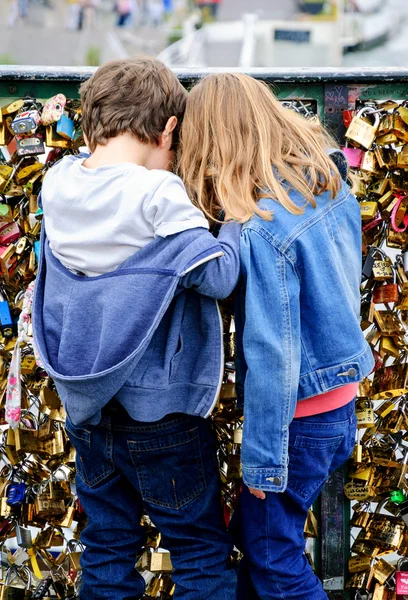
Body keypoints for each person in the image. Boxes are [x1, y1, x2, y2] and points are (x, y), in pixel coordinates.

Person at [33, 58, 239, 600]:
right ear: (169, 129)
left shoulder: (58, 184)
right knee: (198, 552)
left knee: (107, 546)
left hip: (88, 412)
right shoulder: (157, 195)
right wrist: (237, 213)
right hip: (161, 411)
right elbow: (217, 276)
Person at [178, 73, 374, 600]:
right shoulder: (324, 182)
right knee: (262, 539)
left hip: (297, 418)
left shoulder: (261, 230)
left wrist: (264, 462)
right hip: (338, 405)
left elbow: (273, 355)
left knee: (273, 559)